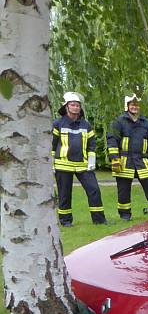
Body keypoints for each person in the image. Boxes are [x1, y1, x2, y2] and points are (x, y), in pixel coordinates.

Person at [51, 92, 107, 226]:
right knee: (65, 194)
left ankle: (99, 220)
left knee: (94, 190)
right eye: (73, 105)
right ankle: (65, 222)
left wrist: (91, 161)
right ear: (66, 107)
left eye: (78, 105)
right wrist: (51, 164)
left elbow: (91, 144)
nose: (76, 107)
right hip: (63, 164)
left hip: (83, 164)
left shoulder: (85, 125)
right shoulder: (58, 123)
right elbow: (52, 144)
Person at [106, 94, 148, 219]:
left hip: (142, 161)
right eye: (132, 104)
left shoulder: (147, 123)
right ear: (127, 106)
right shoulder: (118, 122)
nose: (135, 107)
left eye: (137, 105)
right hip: (124, 161)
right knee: (123, 191)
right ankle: (125, 215)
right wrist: (115, 159)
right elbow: (112, 140)